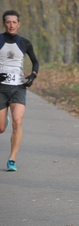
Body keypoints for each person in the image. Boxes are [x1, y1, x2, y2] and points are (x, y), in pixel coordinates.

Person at [0, 10, 39, 171]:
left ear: (18, 24)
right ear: (4, 24)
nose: (11, 25)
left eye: (14, 22)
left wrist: (32, 76)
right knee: (1, 128)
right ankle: (4, 121)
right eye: (8, 22)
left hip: (18, 88)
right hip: (1, 89)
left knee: (18, 121)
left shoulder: (24, 43)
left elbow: (35, 62)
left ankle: (12, 159)